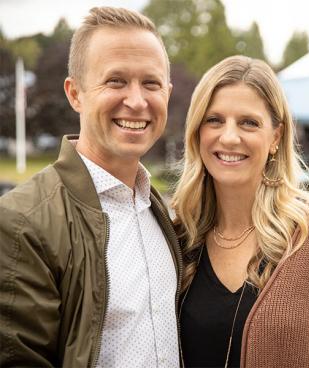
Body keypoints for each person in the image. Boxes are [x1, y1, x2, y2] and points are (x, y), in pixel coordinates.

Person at [0, 7, 182, 367]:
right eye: (116, 81)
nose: (136, 100)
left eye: (151, 83)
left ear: (168, 92)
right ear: (75, 93)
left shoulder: (162, 212)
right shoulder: (23, 222)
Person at [172, 55, 309, 367]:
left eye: (249, 122)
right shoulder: (178, 237)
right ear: (197, 131)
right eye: (214, 120)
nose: (229, 137)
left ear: (275, 137)